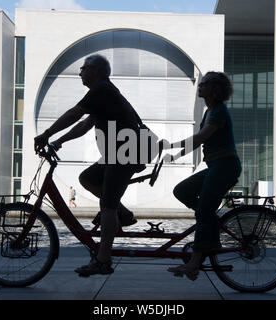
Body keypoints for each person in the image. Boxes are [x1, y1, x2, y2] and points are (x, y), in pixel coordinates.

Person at [34, 54, 144, 277]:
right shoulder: (103, 93)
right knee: (87, 178)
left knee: (108, 206)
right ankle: (122, 214)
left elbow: (75, 114)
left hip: (125, 154)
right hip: (119, 153)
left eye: (83, 68)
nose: (80, 72)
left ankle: (103, 260)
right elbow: (85, 125)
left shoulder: (102, 89)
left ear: (96, 70)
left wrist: (46, 134)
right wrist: (58, 142)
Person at [163, 71, 242, 281]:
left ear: (214, 89)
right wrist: (174, 155)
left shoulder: (219, 111)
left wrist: (172, 146)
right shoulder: (210, 112)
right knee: (182, 191)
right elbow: (198, 141)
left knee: (204, 210)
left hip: (225, 166)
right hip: (216, 166)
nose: (200, 86)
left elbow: (201, 137)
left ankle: (194, 264)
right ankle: (210, 228)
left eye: (204, 83)